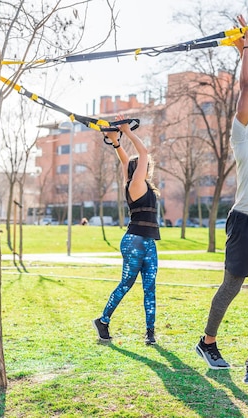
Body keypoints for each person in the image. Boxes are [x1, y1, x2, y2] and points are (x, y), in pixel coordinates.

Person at [194, 14, 248, 384]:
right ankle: (207, 341)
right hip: (245, 222)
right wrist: (245, 46)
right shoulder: (243, 136)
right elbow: (247, 89)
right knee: (232, 287)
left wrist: (247, 51)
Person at [92, 116, 161, 345]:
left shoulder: (134, 182)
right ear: (139, 170)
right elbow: (143, 154)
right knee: (126, 284)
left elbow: (125, 162)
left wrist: (117, 142)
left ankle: (150, 333)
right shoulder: (135, 185)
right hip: (134, 242)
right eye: (142, 166)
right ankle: (103, 320)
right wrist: (127, 132)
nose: (146, 166)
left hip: (148, 242)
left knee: (150, 289)